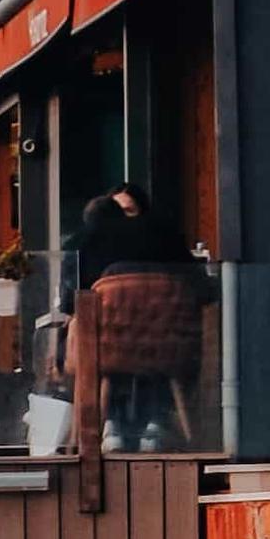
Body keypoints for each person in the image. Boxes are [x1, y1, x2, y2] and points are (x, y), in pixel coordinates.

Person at [68, 182, 206, 450]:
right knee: (143, 354)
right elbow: (203, 289)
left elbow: (69, 298)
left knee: (106, 351)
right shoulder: (166, 237)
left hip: (108, 348)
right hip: (167, 347)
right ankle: (156, 421)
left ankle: (112, 426)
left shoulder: (90, 241)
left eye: (128, 212)